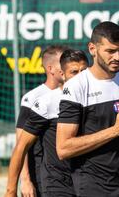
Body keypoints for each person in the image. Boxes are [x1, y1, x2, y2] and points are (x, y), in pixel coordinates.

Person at [56, 21, 119, 196]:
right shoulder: (77, 86)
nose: (118, 57)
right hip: (96, 186)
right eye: (111, 51)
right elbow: (63, 148)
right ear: (92, 49)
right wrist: (114, 131)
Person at [15, 45, 68, 197]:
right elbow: (21, 144)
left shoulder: (75, 93)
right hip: (41, 178)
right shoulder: (32, 98)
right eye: (63, 62)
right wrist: (25, 180)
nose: (68, 65)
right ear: (50, 69)